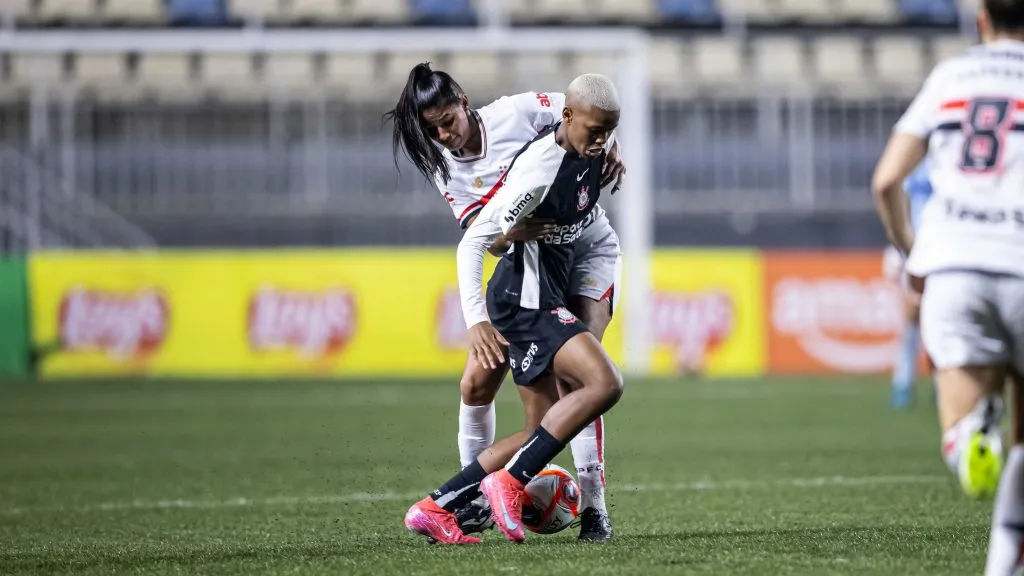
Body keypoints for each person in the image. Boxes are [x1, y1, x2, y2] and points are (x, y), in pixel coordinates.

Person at [386, 63, 624, 541]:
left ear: (464, 102)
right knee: (480, 383)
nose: (443, 134)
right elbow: (483, 239)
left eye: (447, 120)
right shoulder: (450, 167)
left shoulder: (519, 115)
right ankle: (475, 496)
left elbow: (582, 110)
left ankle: (593, 507)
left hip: (582, 248)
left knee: (578, 380)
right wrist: (479, 311)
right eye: (432, 128)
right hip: (529, 271)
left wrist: (608, 147)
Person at [871, 2, 1024, 572]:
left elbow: (887, 178)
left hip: (956, 267)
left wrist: (913, 249)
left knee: (964, 439)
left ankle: (970, 441)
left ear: (982, 18)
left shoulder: (952, 75)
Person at [885, 159, 933, 409]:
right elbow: (899, 202)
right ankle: (903, 385)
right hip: (915, 247)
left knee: (941, 322)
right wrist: (896, 250)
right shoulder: (916, 163)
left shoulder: (954, 157)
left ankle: (942, 384)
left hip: (946, 246)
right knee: (911, 318)